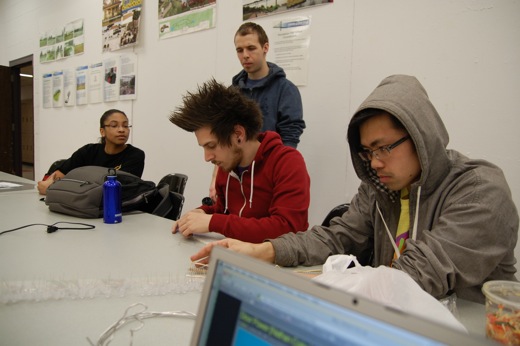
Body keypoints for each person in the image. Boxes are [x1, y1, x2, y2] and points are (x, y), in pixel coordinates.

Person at [191, 75, 519, 303]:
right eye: (367, 152)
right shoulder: (378, 190)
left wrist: (305, 285)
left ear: (421, 137)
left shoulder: (481, 191)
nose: (374, 163)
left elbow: (420, 272)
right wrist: (262, 251)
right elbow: (335, 237)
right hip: (394, 323)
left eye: (383, 148)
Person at [169, 78, 310, 243]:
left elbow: (287, 228)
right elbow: (224, 211)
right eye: (204, 148)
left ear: (238, 135)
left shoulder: (287, 162)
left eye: (211, 146)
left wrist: (213, 221)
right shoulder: (228, 166)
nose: (207, 157)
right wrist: (202, 214)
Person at [208, 22, 306, 202]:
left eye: (251, 48)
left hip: (269, 177)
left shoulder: (286, 90)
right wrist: (216, 177)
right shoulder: (232, 92)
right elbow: (223, 139)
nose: (245, 55)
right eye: (239, 50)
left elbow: (289, 140)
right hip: (236, 176)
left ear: (265, 47)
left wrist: (277, 177)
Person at [37, 109, 145, 195]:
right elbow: (59, 174)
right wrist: (48, 184)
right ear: (102, 131)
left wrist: (57, 189)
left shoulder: (135, 155)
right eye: (114, 125)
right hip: (80, 204)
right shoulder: (88, 151)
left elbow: (116, 190)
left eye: (125, 126)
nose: (122, 130)